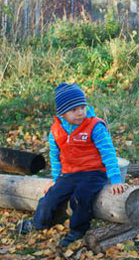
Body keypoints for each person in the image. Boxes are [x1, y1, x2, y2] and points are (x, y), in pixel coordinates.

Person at [17, 83, 127, 247]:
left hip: (93, 173)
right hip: (69, 174)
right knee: (50, 198)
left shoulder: (94, 126)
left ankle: (78, 230)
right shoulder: (56, 130)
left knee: (80, 197)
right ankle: (39, 223)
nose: (80, 112)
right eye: (74, 109)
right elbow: (55, 156)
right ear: (62, 113)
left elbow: (108, 153)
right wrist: (56, 178)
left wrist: (116, 179)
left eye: (82, 107)